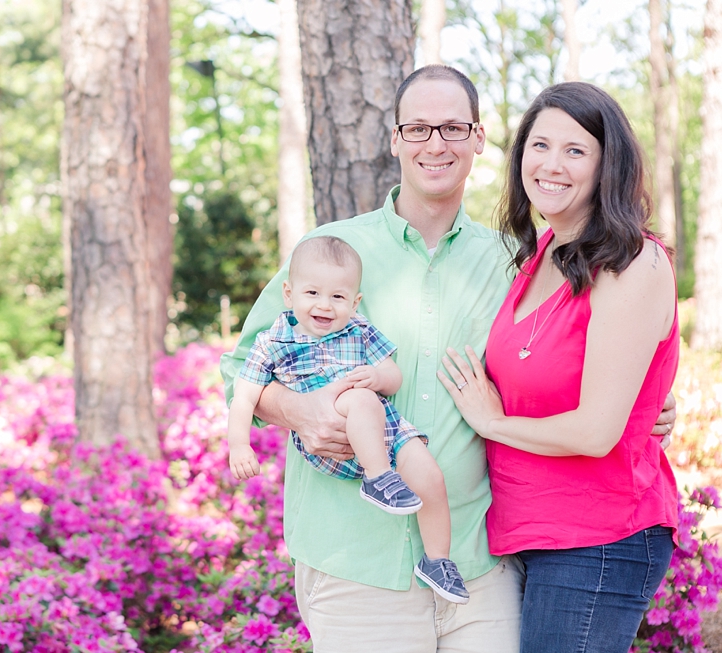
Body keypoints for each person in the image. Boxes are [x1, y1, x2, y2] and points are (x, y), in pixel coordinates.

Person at [220, 65, 677, 653]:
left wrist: (648, 404)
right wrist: (300, 410)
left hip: (480, 560)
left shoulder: (516, 259)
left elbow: (592, 351)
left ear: (480, 139)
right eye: (417, 128)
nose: (435, 144)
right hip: (359, 558)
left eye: (453, 128)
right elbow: (241, 368)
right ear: (394, 139)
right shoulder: (333, 251)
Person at [438, 82, 679, 653]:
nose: (551, 164)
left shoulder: (631, 261)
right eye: (539, 145)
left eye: (575, 150)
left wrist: (491, 423)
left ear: (607, 165)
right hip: (525, 529)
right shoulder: (539, 254)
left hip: (598, 536)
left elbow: (597, 433)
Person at [228, 235, 470, 604]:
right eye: (312, 293)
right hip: (332, 438)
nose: (324, 305)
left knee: (429, 476)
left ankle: (437, 561)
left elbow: (392, 375)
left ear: (354, 302)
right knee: (358, 397)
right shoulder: (273, 342)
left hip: (385, 427)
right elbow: (243, 394)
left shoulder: (358, 328)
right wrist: (239, 445)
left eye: (338, 297)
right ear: (289, 293)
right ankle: (378, 479)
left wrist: (379, 378)